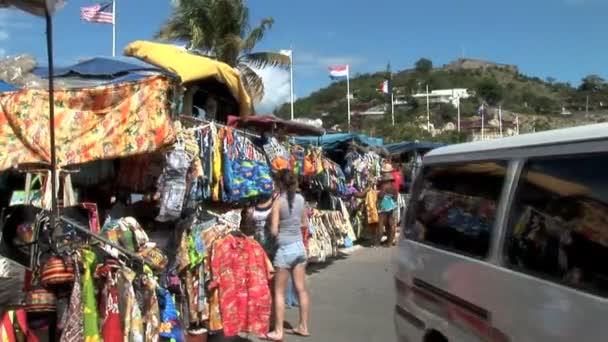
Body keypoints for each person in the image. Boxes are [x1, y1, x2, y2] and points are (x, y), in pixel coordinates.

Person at [263, 170, 310, 341]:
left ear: (280, 184)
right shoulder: (300, 200)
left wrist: (270, 227)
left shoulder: (278, 203)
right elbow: (305, 224)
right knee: (301, 289)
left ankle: (278, 331)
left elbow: (275, 230)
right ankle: (303, 326)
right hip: (299, 247)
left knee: (279, 292)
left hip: (284, 250)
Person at [379, 163, 398, 247]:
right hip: (392, 205)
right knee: (391, 224)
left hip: (385, 205)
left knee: (383, 223)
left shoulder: (384, 186)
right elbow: (395, 198)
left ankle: (381, 242)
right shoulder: (394, 187)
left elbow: (381, 196)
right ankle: (390, 241)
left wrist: (378, 195)